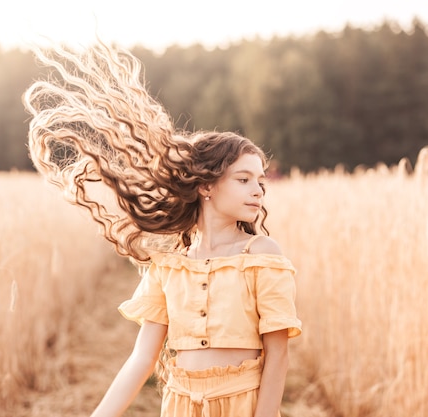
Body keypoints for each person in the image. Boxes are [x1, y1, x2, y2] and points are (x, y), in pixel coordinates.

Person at [23, 40, 302, 417]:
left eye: (260, 181)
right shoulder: (169, 266)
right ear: (206, 186)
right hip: (180, 406)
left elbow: (278, 357)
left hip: (243, 404)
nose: (258, 190)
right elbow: (142, 358)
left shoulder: (262, 257)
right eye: (243, 179)